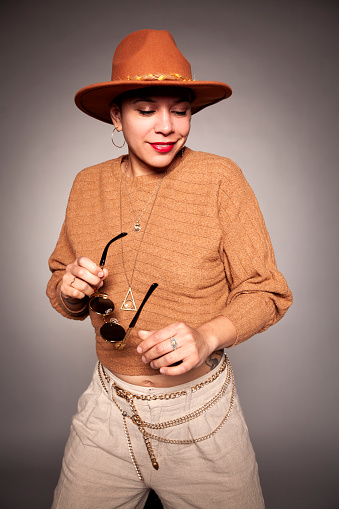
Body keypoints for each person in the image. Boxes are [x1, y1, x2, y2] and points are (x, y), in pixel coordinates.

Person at [47, 29, 292, 509]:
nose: (167, 127)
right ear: (115, 115)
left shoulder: (221, 178)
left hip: (201, 418)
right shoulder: (86, 184)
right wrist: (69, 289)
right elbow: (59, 282)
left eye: (179, 111)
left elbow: (268, 293)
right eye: (145, 110)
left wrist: (207, 337)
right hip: (107, 411)